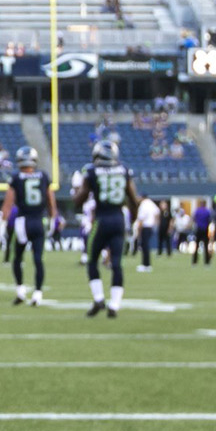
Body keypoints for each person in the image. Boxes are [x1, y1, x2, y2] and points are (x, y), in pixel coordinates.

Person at [75, 133, 140, 319]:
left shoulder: (92, 171)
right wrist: (133, 219)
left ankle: (98, 298)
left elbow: (79, 200)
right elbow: (134, 200)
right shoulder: (124, 170)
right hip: (119, 219)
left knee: (92, 260)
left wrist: (80, 191)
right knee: (117, 263)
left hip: (101, 219)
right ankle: (115, 304)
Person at [3, 147, 53, 306]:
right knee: (38, 258)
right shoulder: (43, 176)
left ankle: (21, 291)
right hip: (39, 221)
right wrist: (53, 218)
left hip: (22, 222)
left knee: (17, 257)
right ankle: (38, 294)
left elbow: (8, 202)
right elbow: (51, 200)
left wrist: (3, 221)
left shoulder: (16, 177)